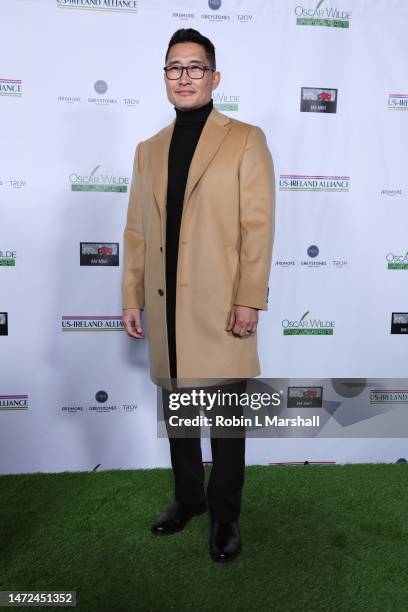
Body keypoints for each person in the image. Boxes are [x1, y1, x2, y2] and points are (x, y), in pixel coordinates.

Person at [122, 28, 275, 563]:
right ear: (165, 77)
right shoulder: (147, 151)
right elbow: (137, 232)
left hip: (221, 304)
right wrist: (132, 296)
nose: (183, 76)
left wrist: (249, 298)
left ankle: (225, 515)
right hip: (165, 307)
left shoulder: (245, 138)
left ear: (215, 77)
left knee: (226, 424)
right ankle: (187, 499)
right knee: (180, 416)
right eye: (174, 67)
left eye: (194, 66)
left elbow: (258, 225)